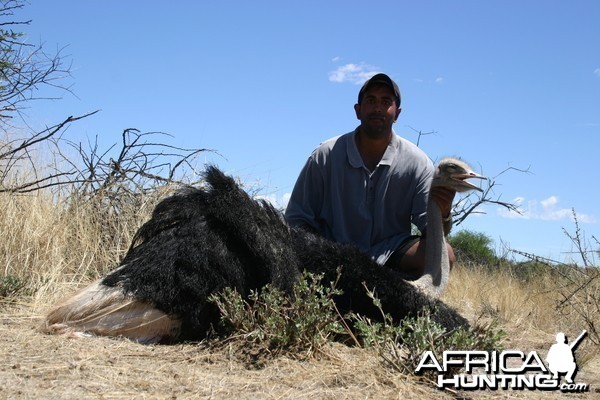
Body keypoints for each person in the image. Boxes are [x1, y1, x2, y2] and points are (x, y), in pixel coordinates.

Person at [284, 73, 456, 279]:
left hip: (388, 256)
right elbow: (296, 220)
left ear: (397, 113)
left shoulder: (418, 163)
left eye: (386, 102)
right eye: (370, 100)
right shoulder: (325, 155)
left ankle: (392, 299)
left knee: (444, 254)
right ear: (358, 110)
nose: (377, 108)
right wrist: (322, 253)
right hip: (331, 254)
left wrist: (443, 214)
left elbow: (431, 231)